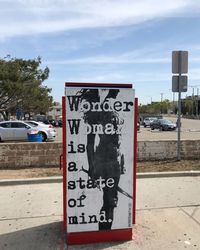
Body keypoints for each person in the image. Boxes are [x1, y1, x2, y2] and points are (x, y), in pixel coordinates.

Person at [79, 88, 124, 230]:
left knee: (111, 201)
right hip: (105, 162)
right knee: (110, 201)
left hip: (113, 161)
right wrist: (92, 167)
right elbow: (89, 144)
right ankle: (105, 231)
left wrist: (121, 162)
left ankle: (105, 230)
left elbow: (120, 140)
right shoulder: (98, 112)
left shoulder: (115, 108)